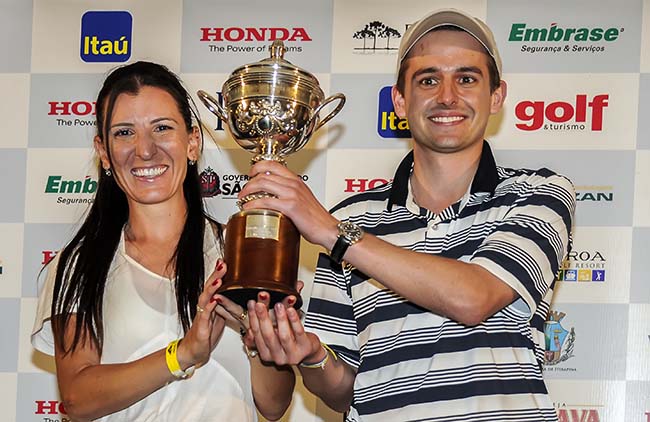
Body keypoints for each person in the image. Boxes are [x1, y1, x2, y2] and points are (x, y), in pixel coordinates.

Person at [238, 8, 575, 422]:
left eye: (466, 79)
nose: (447, 96)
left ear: (497, 97)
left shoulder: (537, 192)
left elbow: (473, 298)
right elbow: (342, 391)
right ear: (400, 100)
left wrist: (333, 232)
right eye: (428, 80)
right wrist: (310, 356)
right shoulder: (353, 216)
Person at [31, 61, 295, 422]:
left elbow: (274, 404)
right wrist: (182, 355)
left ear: (192, 142)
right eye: (124, 133)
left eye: (162, 128)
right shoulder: (79, 263)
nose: (145, 150)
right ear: (103, 151)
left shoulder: (238, 252)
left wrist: (258, 336)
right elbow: (78, 397)